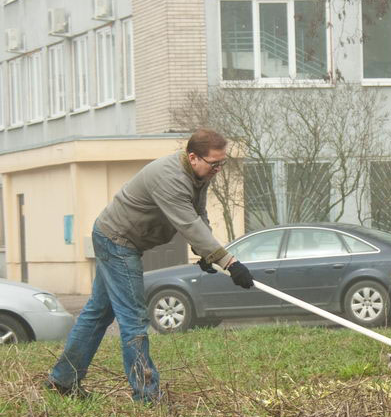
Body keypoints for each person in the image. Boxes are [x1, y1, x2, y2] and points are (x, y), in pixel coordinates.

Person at [44, 129, 254, 402]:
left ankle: (62, 380)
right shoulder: (170, 178)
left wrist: (205, 253)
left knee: (98, 313)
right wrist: (229, 261)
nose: (219, 169)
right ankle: (146, 395)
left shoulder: (198, 175)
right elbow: (188, 223)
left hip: (120, 239)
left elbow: (198, 214)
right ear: (193, 157)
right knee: (133, 319)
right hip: (117, 240)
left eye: (222, 163)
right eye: (215, 163)